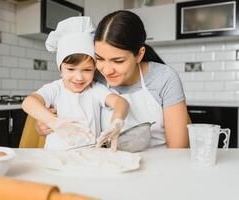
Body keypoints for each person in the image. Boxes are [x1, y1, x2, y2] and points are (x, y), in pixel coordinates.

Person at [36, 11, 189, 152]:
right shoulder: (90, 77)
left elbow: (178, 149)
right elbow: (66, 112)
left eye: (118, 61)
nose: (107, 70)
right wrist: (44, 125)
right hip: (108, 165)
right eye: (100, 58)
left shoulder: (164, 78)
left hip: (158, 168)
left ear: (139, 54)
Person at [22, 16, 129, 151]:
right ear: (60, 68)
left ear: (95, 69)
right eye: (71, 69)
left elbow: (121, 103)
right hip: (56, 157)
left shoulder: (95, 89)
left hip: (91, 157)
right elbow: (28, 102)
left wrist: (117, 121)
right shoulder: (55, 89)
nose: (79, 77)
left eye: (87, 70)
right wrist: (54, 122)